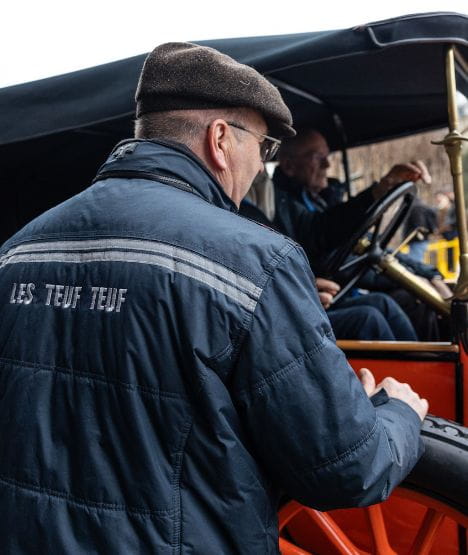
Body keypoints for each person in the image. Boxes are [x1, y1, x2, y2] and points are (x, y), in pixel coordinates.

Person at [0, 43, 428, 554]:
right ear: (221, 139)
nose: (260, 169)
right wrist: (400, 413)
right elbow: (347, 468)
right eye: (264, 149)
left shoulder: (17, 249)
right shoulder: (256, 260)